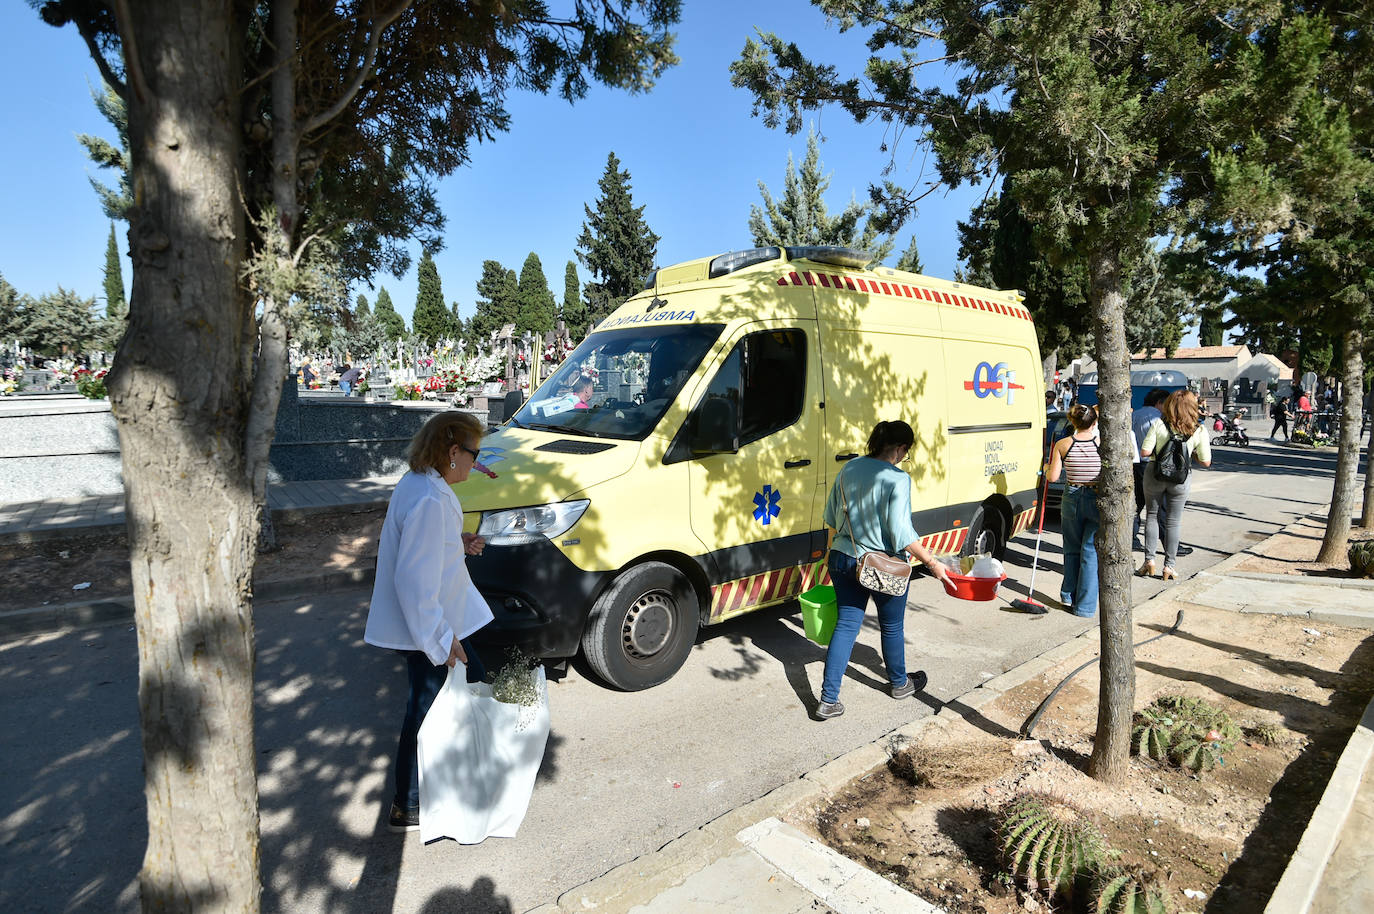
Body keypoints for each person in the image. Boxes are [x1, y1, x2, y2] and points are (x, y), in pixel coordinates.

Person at [364, 411, 494, 832]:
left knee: (446, 698)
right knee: (427, 708)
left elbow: (417, 548)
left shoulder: (419, 485)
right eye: (473, 454)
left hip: (436, 621)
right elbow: (414, 581)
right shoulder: (429, 499)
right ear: (453, 452)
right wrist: (441, 640)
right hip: (430, 626)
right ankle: (411, 802)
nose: (475, 463)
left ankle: (428, 792)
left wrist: (456, 542)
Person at [816, 420, 955, 720]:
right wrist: (933, 564)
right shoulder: (897, 479)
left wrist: (832, 555)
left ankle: (828, 700)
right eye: (907, 452)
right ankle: (899, 684)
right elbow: (901, 533)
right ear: (901, 449)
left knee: (846, 625)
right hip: (883, 567)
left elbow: (831, 517)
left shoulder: (849, 468)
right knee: (891, 626)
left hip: (842, 557)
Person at [1140, 390, 1212, 580]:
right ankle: (1169, 566)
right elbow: (1206, 462)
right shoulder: (1199, 429)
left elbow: (1145, 452)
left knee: (1152, 516)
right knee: (1173, 521)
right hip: (1180, 478)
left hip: (1155, 473)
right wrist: (1191, 453)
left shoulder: (1158, 424)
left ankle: (1149, 561)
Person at [1046, 404, 1102, 618]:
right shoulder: (1101, 443)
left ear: (1072, 422)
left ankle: (1068, 594)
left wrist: (1045, 469)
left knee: (1071, 548)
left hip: (1072, 495)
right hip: (1095, 496)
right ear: (1094, 423)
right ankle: (1085, 606)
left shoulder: (1063, 444)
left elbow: (1052, 478)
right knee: (1090, 551)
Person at [1131, 389, 1169, 549]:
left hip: (1134, 463)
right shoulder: (1157, 418)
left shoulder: (1134, 414)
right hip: (1151, 462)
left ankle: (1132, 537)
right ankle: (1168, 542)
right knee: (1160, 506)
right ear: (1159, 402)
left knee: (1136, 503)